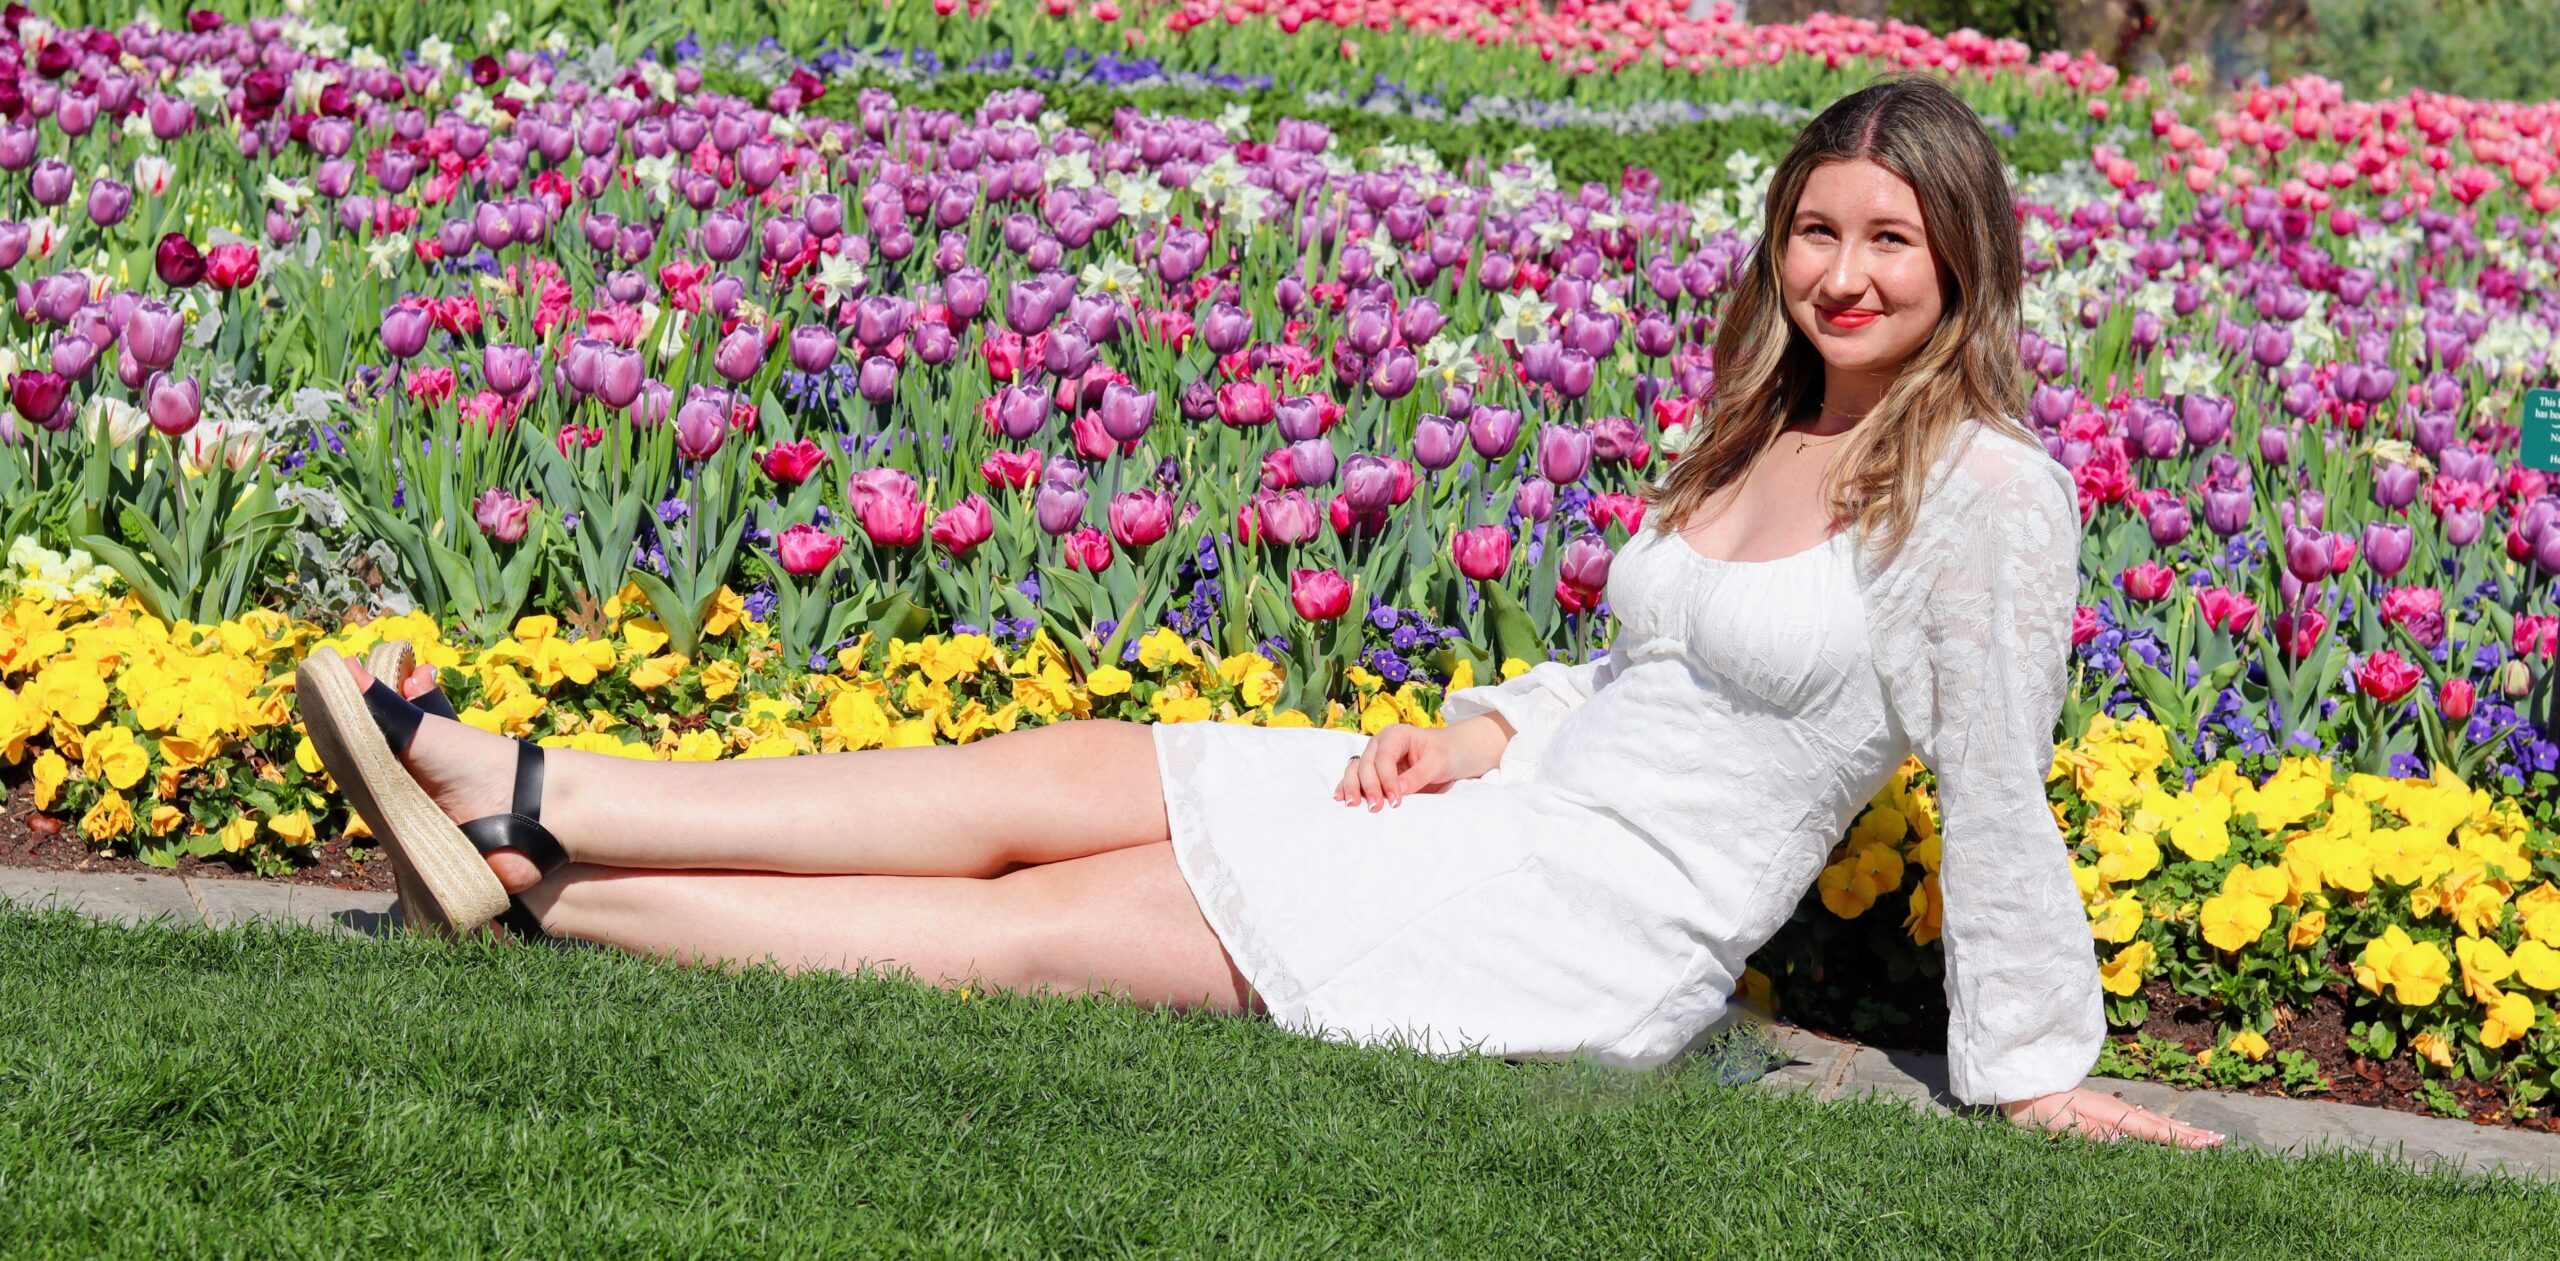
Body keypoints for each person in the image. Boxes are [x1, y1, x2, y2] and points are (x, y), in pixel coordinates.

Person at [294, 71, 2222, 1151]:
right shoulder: (1763, 424)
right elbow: (1639, 671)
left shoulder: (1987, 493)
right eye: (1816, 228)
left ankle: (540, 876)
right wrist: (1483, 727)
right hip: (1506, 807)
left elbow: (1996, 785)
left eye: (1889, 239)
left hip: (1578, 931)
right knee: (1054, 771)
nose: (1843, 271)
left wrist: (2035, 1068)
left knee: (1045, 929)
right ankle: (543, 783)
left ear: (1965, 261)